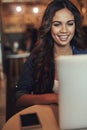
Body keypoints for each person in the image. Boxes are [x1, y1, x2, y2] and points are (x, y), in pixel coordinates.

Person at [15, 0, 87, 108]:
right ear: (49, 26)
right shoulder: (36, 58)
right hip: (47, 118)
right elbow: (19, 98)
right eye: (57, 24)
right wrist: (54, 98)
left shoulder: (84, 57)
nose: (64, 30)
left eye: (70, 24)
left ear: (75, 26)